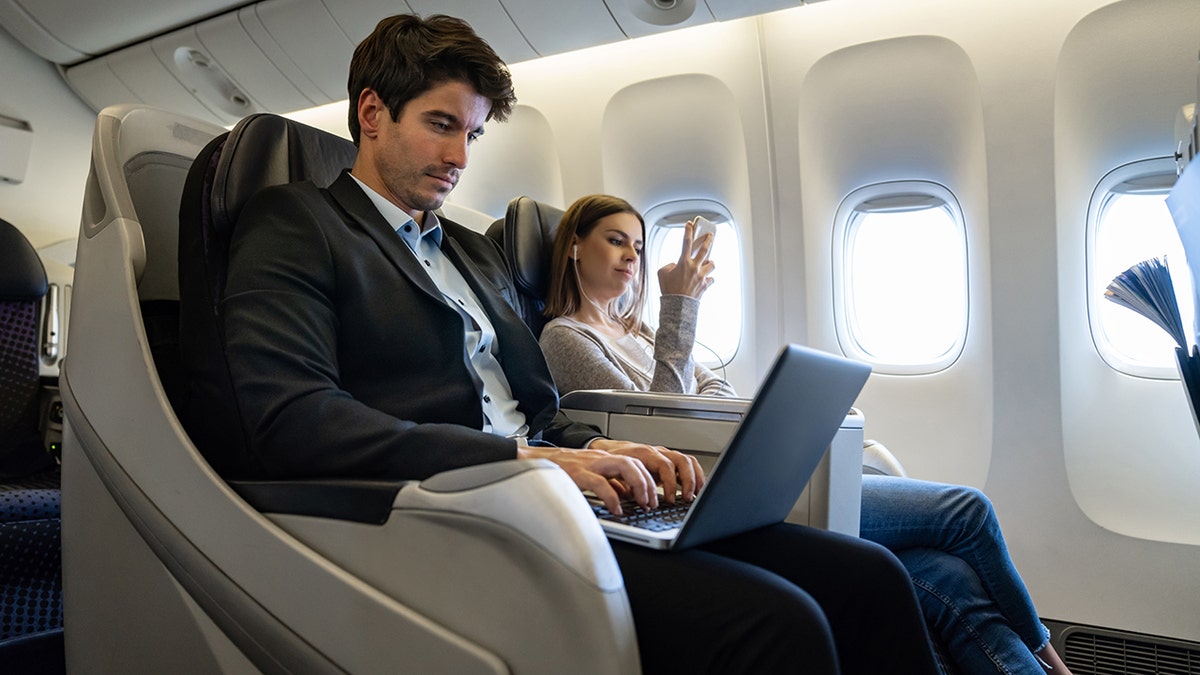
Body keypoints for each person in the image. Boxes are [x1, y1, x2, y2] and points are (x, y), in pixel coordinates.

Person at [201, 13, 942, 675]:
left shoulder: (471, 249)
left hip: (553, 491)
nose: (461, 154)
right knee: (780, 622)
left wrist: (607, 453)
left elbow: (535, 405)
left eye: (475, 133)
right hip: (449, 511)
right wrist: (531, 460)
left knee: (869, 576)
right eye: (441, 124)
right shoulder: (298, 224)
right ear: (371, 113)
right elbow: (295, 420)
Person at [538, 193, 1075, 675]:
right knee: (968, 511)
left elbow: (712, 390)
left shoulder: (641, 333)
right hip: (717, 487)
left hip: (751, 467)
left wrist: (706, 379)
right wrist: (683, 307)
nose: (633, 255)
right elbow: (659, 417)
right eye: (616, 241)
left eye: (637, 243)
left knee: (944, 575)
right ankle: (1050, 655)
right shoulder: (565, 337)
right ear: (574, 250)